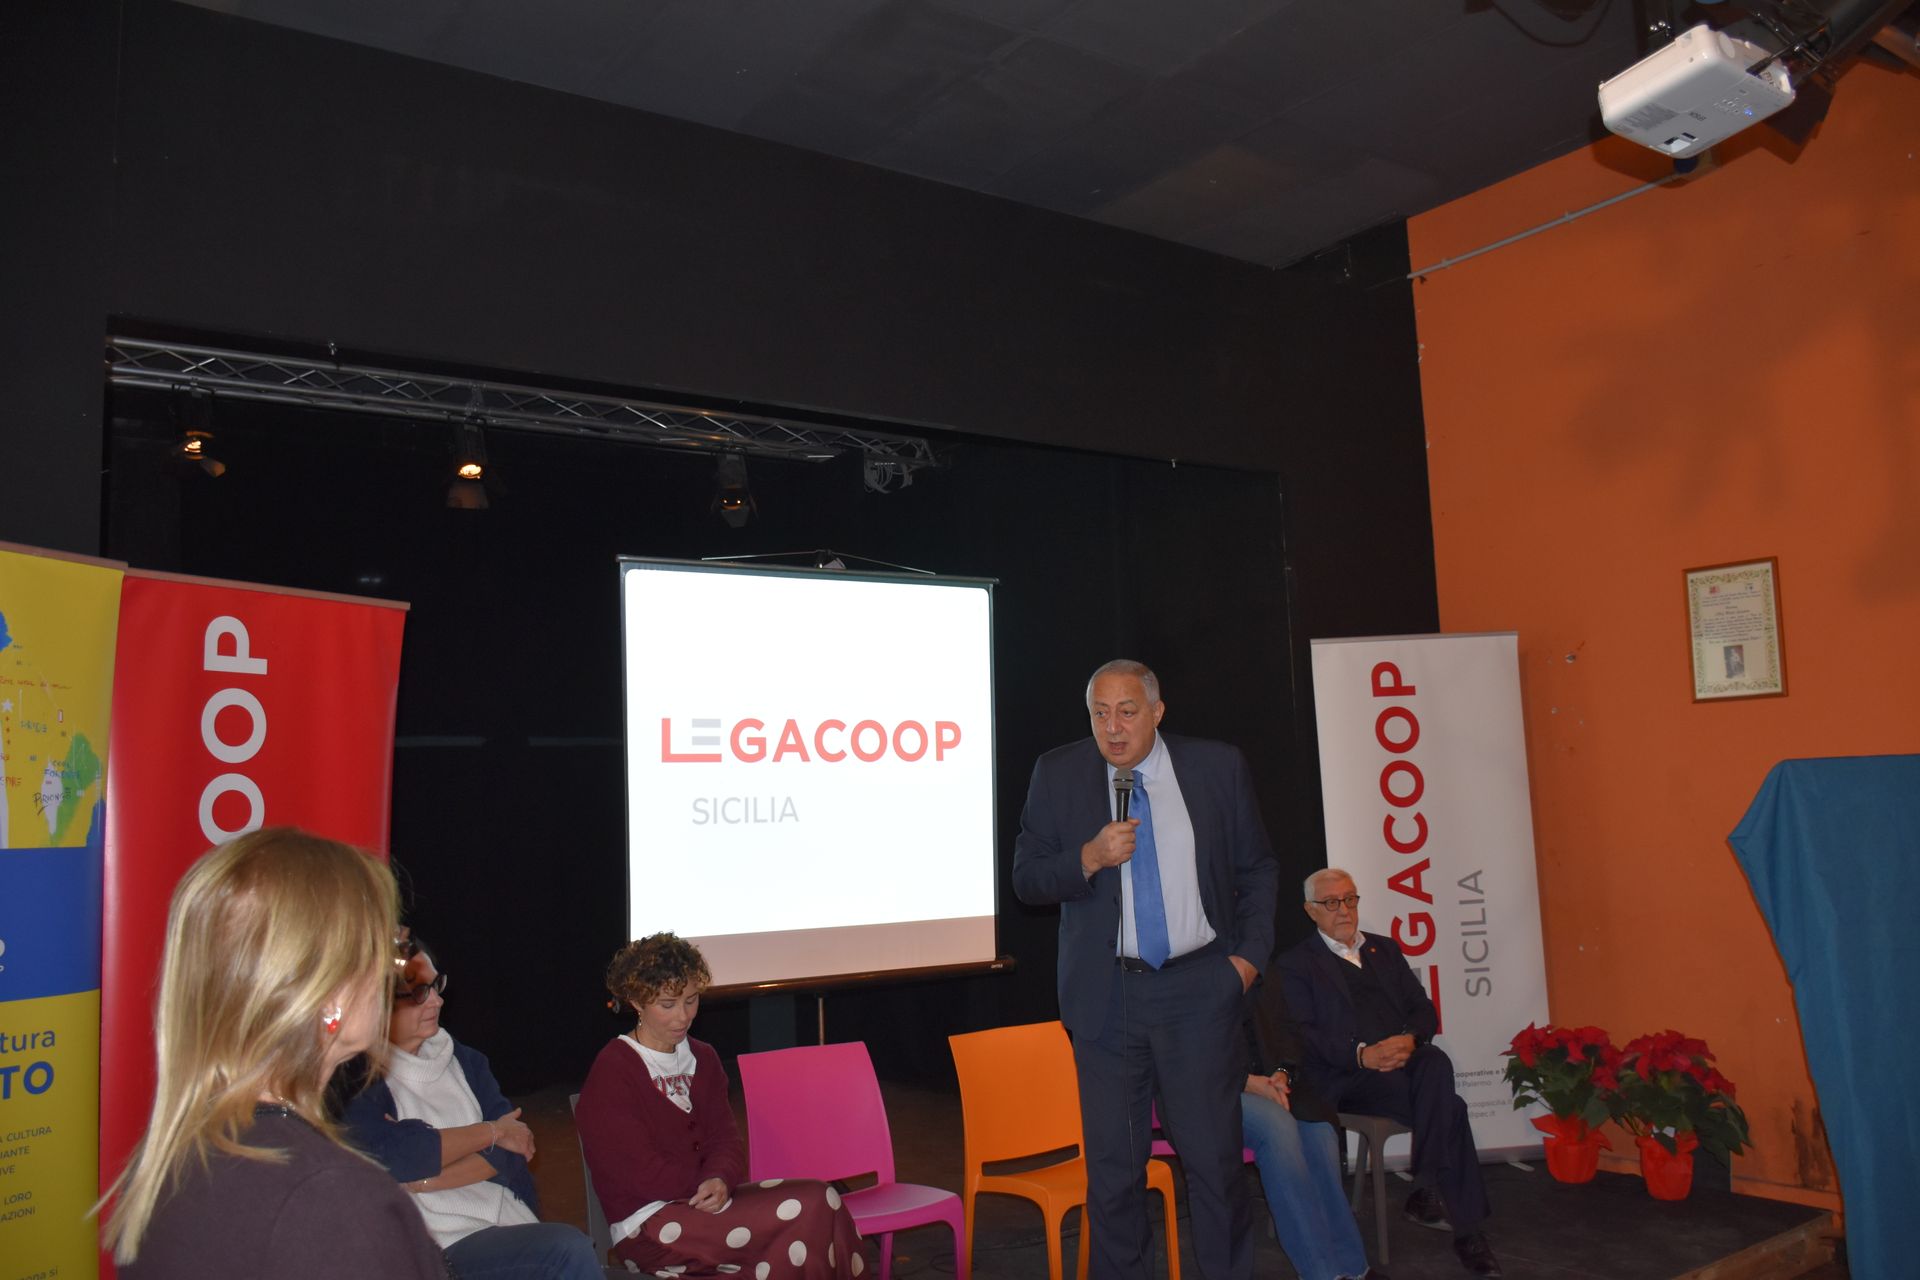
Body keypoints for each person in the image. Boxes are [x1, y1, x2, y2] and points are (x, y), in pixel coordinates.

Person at [1012, 659, 1278, 1280]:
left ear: (1157, 712)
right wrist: (1086, 857)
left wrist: (1245, 963)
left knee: (1215, 1167)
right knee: (1114, 1176)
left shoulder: (1216, 767)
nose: (1113, 727)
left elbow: (1258, 869)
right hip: (1108, 1000)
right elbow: (1027, 878)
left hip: (1199, 989)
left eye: (1127, 712)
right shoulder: (1058, 773)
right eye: (1100, 713)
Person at [101, 827, 445, 1280]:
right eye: (387, 950)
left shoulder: (171, 1158)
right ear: (329, 993)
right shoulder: (330, 1205)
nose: (395, 969)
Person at [574, 933, 866, 1278]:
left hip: (706, 1205)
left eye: (691, 1000)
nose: (683, 1016)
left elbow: (725, 1139)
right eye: (667, 1005)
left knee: (820, 1198)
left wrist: (719, 1177)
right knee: (807, 1213)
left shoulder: (703, 1057)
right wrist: (703, 1184)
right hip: (649, 1225)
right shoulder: (614, 1068)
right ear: (637, 1001)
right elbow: (637, 1171)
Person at [1278, 868, 1501, 1278]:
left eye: (1350, 899)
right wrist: (1361, 1056)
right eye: (1331, 902)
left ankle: (1426, 1186)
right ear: (1311, 910)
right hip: (1349, 1077)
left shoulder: (1385, 949)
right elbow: (1303, 1035)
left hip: (1404, 1065)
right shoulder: (1296, 964)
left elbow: (1423, 1009)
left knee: (1435, 1061)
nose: (1344, 910)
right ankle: (1463, 1227)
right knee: (1450, 1108)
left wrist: (1410, 1040)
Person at [339, 932, 602, 1279]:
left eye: (436, 986)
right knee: (566, 1252)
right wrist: (491, 1132)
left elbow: (513, 1152)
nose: (437, 1002)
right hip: (432, 1242)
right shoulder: (358, 1077)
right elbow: (392, 1155)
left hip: (500, 1220)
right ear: (377, 1003)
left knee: (566, 1251)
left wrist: (422, 1179)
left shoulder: (465, 1061)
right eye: (419, 993)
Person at [1240, 964, 1388, 1280]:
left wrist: (1282, 1073)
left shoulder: (1263, 970)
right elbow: (1189, 1052)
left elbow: (1288, 1032)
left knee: (1320, 1132)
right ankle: (1321, 1274)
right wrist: (1246, 1082)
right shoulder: (1195, 969)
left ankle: (1353, 1268)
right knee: (1277, 1127)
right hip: (1218, 1089)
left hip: (1271, 1084)